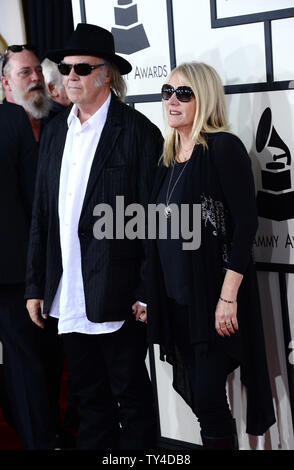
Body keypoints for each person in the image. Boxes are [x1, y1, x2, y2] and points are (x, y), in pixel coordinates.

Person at [25, 23, 163, 450]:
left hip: (119, 294)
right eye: (66, 68)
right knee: (89, 403)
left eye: (82, 68)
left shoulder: (138, 132)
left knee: (133, 399)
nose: (70, 76)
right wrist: (36, 284)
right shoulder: (54, 132)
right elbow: (43, 215)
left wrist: (144, 290)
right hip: (68, 292)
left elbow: (155, 222)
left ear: (108, 74)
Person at [135, 62, 276, 449]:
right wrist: (148, 293)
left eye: (184, 93)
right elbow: (154, 233)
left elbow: (246, 225)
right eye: (167, 92)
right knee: (204, 403)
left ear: (205, 98)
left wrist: (227, 297)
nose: (172, 100)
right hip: (175, 303)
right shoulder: (166, 159)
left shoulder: (223, 148)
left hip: (213, 301)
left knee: (211, 401)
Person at [0, 45, 57, 449]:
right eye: (24, 73)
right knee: (27, 362)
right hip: (14, 270)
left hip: (39, 270)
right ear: (5, 84)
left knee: (38, 360)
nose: (35, 77)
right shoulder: (11, 122)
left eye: (37, 70)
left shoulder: (53, 120)